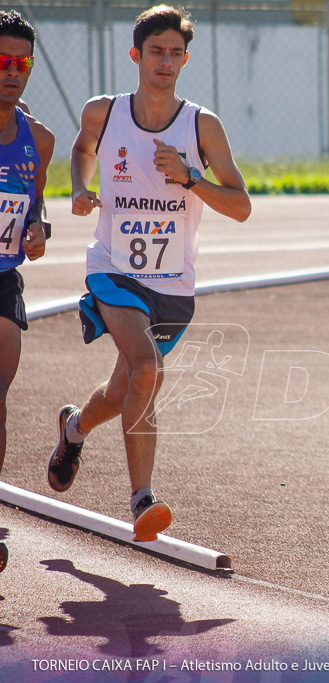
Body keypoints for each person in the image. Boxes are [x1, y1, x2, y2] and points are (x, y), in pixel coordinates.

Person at [47, 5, 251, 543]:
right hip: (113, 268)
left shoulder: (201, 125)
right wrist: (78, 186)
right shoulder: (103, 112)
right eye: (156, 51)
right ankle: (142, 498)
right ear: (136, 55)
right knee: (145, 368)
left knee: (123, 389)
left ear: (185, 59)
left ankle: (73, 429)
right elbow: (80, 150)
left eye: (175, 53)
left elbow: (241, 205)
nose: (166, 61)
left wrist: (190, 179)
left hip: (173, 286)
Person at [0, 9, 55, 572]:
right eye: (1, 62)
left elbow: (35, 210)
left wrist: (40, 232)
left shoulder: (39, 139)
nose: (11, 72)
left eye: (20, 63)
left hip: (1, 279)